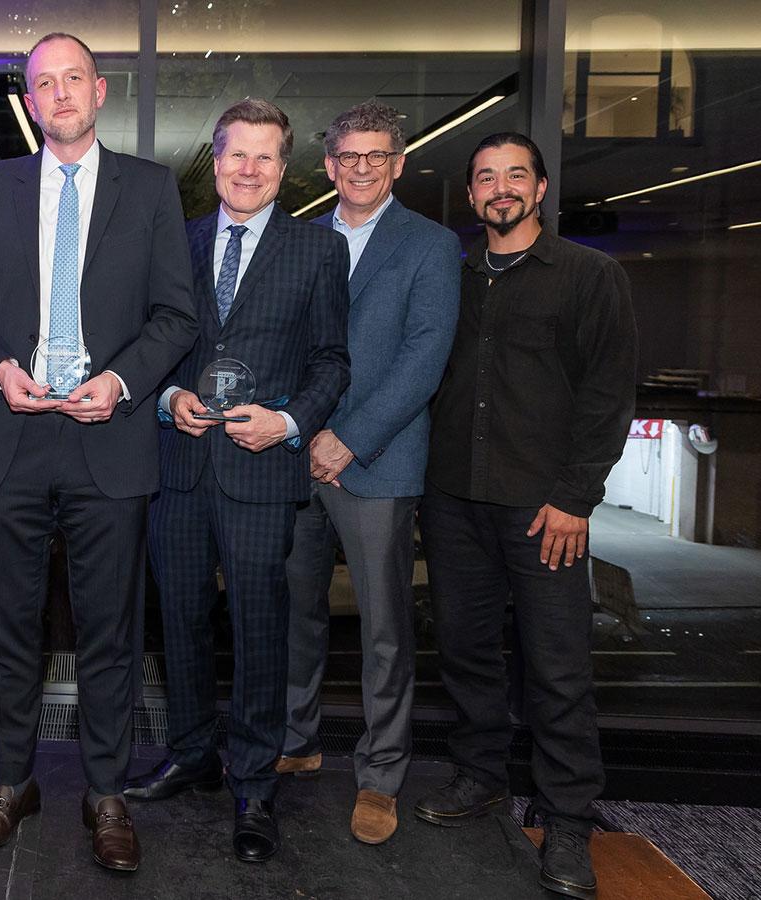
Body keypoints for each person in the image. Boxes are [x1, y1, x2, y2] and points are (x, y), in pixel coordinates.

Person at [0, 31, 197, 873]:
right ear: (32, 100)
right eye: (42, 83)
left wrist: (120, 383)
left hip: (107, 439)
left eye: (72, 79)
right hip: (11, 435)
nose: (58, 94)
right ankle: (12, 783)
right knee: (8, 629)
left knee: (110, 633)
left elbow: (175, 317)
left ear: (100, 90)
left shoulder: (151, 190)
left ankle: (106, 792)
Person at [123, 98, 350, 864]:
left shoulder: (317, 253)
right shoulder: (174, 243)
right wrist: (165, 397)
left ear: (284, 170)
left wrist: (289, 425)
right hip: (180, 468)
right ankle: (191, 754)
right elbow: (145, 345)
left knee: (259, 630)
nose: (248, 169)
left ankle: (254, 780)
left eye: (264, 157)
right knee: (180, 619)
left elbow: (331, 363)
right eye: (235, 155)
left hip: (261, 469)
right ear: (213, 161)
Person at [415, 132, 635, 900]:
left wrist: (577, 497)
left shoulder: (588, 277)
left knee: (557, 665)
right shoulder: (454, 275)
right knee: (468, 652)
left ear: (540, 188)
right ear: (471, 196)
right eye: (486, 178)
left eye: (516, 175)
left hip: (545, 509)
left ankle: (568, 815)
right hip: (452, 499)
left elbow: (607, 396)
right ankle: (479, 776)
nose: (500, 188)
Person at [281, 100, 460, 845]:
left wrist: (346, 440)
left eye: (375, 156)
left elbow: (424, 360)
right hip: (294, 456)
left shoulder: (431, 245)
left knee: (386, 628)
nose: (360, 167)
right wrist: (299, 430)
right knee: (294, 611)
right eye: (347, 156)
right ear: (328, 165)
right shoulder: (297, 240)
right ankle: (296, 740)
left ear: (398, 163)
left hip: (378, 462)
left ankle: (381, 773)